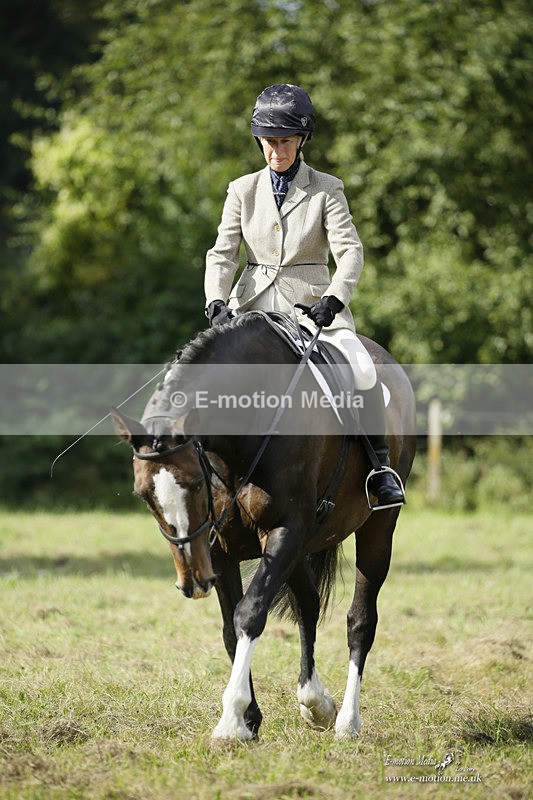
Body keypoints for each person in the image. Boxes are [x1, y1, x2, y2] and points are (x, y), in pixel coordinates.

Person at [204, 83, 404, 509]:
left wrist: (334, 299)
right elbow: (223, 254)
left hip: (314, 308)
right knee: (203, 370)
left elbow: (350, 251)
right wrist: (216, 301)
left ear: (303, 139)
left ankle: (379, 469)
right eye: (269, 142)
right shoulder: (241, 190)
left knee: (362, 370)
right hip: (251, 307)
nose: (277, 151)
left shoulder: (327, 188)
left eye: (286, 142)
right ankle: (201, 472)